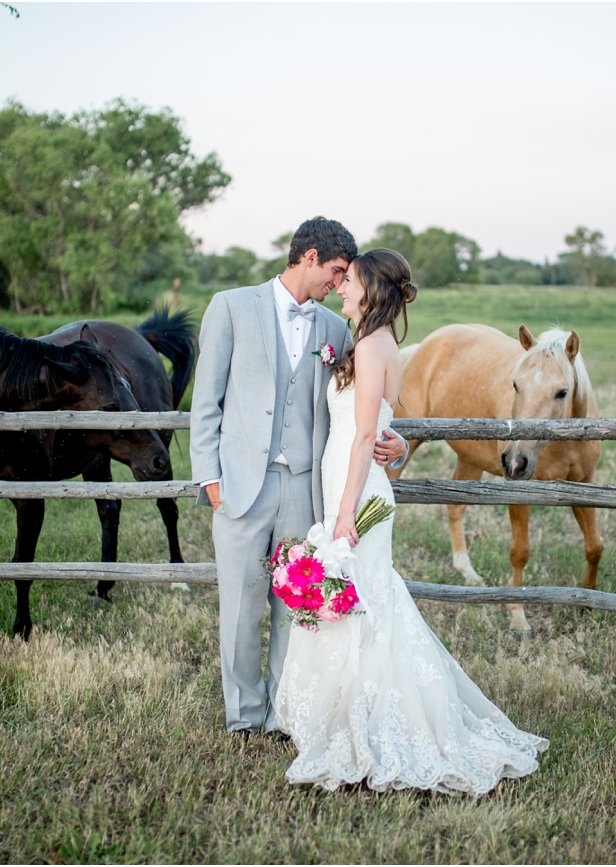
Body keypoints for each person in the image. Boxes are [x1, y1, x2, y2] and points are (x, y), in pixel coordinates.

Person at [274, 249, 548, 795]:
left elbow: (361, 436)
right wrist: (391, 447)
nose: (342, 287)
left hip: (355, 489)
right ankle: (342, 711)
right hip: (346, 480)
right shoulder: (370, 344)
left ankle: (369, 721)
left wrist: (346, 511)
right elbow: (381, 429)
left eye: (348, 281)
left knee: (366, 601)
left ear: (371, 291)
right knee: (362, 598)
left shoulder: (375, 348)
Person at [190, 217, 408, 738]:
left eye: (344, 279)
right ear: (308, 256)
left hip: (306, 489)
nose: (338, 285)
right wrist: (208, 476)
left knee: (297, 607)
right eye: (335, 272)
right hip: (240, 484)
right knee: (240, 610)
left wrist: (396, 446)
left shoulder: (337, 331)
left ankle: (283, 715)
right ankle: (243, 717)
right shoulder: (230, 307)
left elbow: (370, 413)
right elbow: (206, 401)